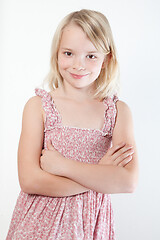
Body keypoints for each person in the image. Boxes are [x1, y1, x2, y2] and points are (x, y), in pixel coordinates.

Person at [6, 9, 138, 240]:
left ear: (107, 59)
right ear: (56, 54)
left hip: (89, 222)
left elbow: (127, 182)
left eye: (91, 56)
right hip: (38, 222)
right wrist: (100, 174)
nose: (79, 65)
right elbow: (29, 180)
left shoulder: (118, 112)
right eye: (69, 53)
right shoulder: (38, 106)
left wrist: (63, 166)